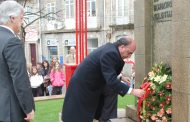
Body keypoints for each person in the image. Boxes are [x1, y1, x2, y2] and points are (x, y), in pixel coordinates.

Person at [62, 36, 145, 122]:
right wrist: (133, 91)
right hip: (83, 86)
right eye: (129, 53)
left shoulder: (112, 49)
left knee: (111, 90)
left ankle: (105, 119)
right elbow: (111, 80)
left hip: (91, 83)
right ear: (122, 47)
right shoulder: (111, 53)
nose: (129, 56)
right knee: (79, 116)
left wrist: (121, 77)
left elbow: (106, 70)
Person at [0, 1, 35, 122]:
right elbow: (19, 77)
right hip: (10, 110)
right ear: (12, 18)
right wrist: (28, 108)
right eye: (21, 18)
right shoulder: (12, 41)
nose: (22, 22)